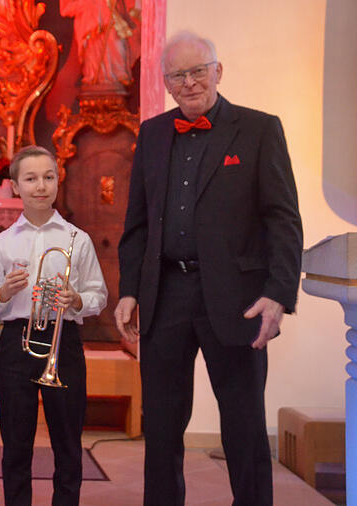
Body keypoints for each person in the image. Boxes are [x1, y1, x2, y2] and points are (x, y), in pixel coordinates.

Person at [115, 31, 303, 506]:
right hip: (165, 296)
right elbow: (137, 223)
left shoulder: (259, 129)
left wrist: (279, 292)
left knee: (242, 425)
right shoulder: (153, 134)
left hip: (237, 299)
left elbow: (282, 217)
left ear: (219, 71)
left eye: (199, 70)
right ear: (166, 83)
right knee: (160, 426)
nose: (191, 81)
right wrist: (130, 290)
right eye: (179, 74)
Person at [0, 145, 108, 506]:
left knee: (67, 441)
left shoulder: (76, 239)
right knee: (16, 441)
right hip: (16, 343)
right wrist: (3, 292)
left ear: (58, 181)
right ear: (15, 187)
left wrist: (77, 299)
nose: (41, 186)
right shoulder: (2, 243)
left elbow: (98, 294)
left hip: (62, 341)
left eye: (48, 177)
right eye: (31, 178)